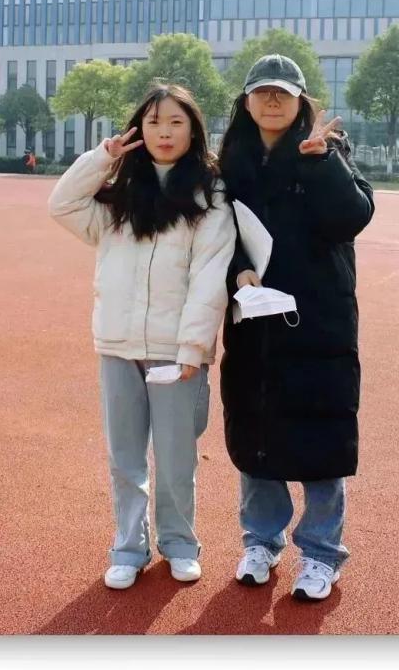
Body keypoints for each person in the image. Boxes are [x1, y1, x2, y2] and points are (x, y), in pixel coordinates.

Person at [48, 84, 236, 590]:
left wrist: (194, 347)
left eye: (175, 122)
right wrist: (102, 158)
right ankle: (128, 547)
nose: (164, 133)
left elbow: (210, 275)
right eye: (153, 123)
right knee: (125, 458)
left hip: (175, 350)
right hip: (118, 343)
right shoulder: (118, 198)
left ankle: (180, 543)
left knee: (176, 457)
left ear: (193, 130)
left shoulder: (211, 195)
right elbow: (62, 205)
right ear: (138, 130)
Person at [218, 55, 375, 601]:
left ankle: (322, 553)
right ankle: (260, 542)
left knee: (321, 435)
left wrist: (322, 162)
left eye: (283, 93)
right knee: (257, 435)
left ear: (301, 102)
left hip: (318, 323)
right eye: (262, 92)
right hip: (254, 322)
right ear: (246, 102)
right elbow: (215, 234)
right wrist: (239, 268)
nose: (272, 101)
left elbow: (352, 218)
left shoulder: (327, 152)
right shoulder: (230, 164)